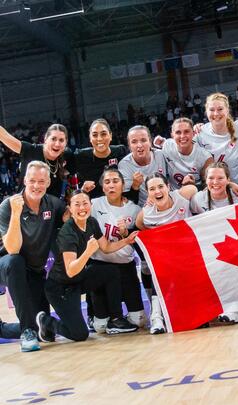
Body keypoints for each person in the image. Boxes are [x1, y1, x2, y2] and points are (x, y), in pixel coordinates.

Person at [36, 190, 139, 346]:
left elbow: (106, 247)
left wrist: (127, 241)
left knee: (110, 272)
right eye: (77, 204)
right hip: (60, 288)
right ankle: (46, 321)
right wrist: (88, 252)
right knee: (79, 334)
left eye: (85, 203)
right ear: (70, 208)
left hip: (78, 279)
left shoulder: (91, 222)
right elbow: (71, 270)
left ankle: (116, 319)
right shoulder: (67, 233)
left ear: (90, 205)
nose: (82, 207)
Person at [0, 161, 65, 352]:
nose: (36, 185)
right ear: (24, 180)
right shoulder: (8, 205)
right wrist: (16, 213)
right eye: (32, 181)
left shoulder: (53, 204)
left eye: (41, 181)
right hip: (6, 265)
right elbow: (12, 248)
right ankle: (26, 331)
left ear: (48, 182)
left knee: (45, 332)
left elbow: (71, 218)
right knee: (15, 261)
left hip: (34, 271)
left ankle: (11, 329)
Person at [136, 173, 197, 333]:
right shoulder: (147, 213)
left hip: (189, 255)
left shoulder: (181, 196)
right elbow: (139, 225)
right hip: (168, 261)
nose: (157, 191)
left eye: (160, 186)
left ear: (168, 187)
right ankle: (156, 317)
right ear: (147, 193)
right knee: (159, 269)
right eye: (152, 189)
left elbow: (193, 188)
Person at [90, 167, 146, 331]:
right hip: (100, 265)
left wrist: (125, 233)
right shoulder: (94, 204)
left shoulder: (134, 210)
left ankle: (122, 315)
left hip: (125, 266)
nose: (111, 185)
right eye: (107, 182)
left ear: (123, 185)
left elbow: (139, 238)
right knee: (100, 327)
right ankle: (100, 315)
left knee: (139, 321)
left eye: (115, 181)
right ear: (102, 187)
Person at [190, 162, 238, 323]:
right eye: (211, 178)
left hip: (236, 244)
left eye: (220, 178)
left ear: (228, 179)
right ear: (205, 180)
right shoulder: (197, 199)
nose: (215, 182)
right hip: (211, 246)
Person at [196, 93, 238, 184]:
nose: (216, 113)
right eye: (211, 110)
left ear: (227, 110)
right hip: (217, 187)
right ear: (206, 112)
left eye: (220, 109)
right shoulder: (200, 132)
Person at [0, 123, 74, 199]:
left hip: (54, 208)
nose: (57, 144)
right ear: (45, 139)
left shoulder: (67, 155)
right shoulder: (32, 151)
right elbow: (5, 136)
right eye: (53, 139)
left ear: (66, 142)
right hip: (26, 207)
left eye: (61, 140)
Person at [75, 119, 130, 199]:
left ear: (110, 136)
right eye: (94, 135)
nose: (99, 139)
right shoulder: (80, 157)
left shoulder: (122, 152)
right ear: (90, 138)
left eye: (103, 134)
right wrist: (83, 190)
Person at [118, 125, 167, 206]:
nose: (139, 145)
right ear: (129, 146)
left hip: (167, 200)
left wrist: (167, 143)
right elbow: (127, 201)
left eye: (143, 140)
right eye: (134, 142)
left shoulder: (161, 155)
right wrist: (135, 186)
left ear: (150, 142)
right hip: (143, 208)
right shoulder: (124, 165)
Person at [162, 118, 213, 190]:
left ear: (193, 133)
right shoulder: (167, 146)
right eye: (178, 132)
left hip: (196, 195)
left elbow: (208, 186)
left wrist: (193, 187)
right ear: (172, 135)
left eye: (186, 131)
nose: (182, 136)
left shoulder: (205, 157)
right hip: (173, 195)